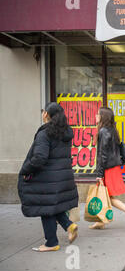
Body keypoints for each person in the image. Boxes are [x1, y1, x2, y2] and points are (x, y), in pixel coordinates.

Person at [18, 102, 79, 252]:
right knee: (52, 205)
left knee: (45, 207)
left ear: (46, 114)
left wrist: (25, 169)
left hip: (47, 178)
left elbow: (39, 158)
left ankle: (51, 243)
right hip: (61, 177)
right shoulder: (64, 132)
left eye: (43, 111)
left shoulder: (45, 133)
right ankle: (69, 225)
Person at [89, 106, 125, 230]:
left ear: (103, 117)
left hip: (108, 169)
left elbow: (102, 155)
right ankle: (101, 221)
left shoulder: (103, 131)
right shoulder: (112, 130)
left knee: (109, 197)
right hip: (113, 167)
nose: (95, 116)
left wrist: (99, 174)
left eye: (98, 114)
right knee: (104, 195)